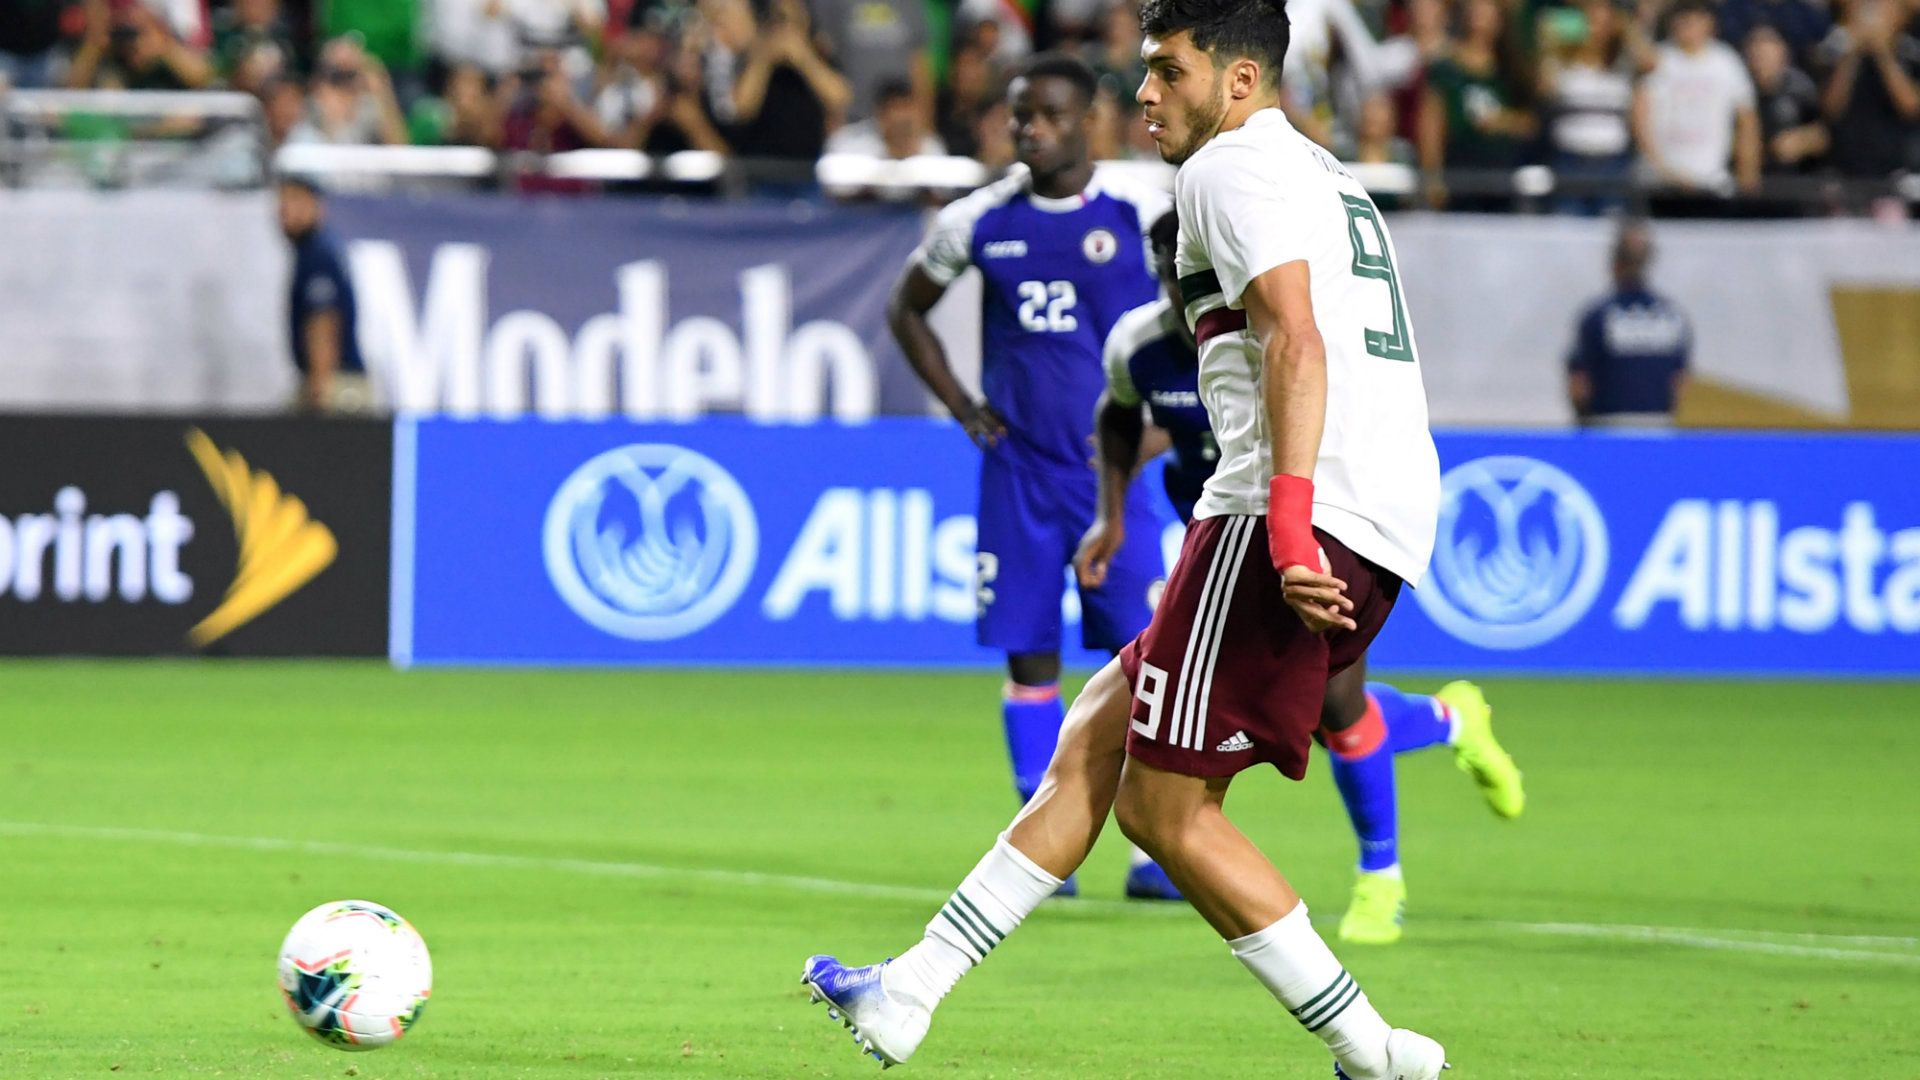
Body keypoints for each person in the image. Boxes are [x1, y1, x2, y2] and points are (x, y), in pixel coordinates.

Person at [802, 4, 1455, 1075]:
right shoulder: (1323, 173)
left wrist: (1287, 526)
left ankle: (1370, 1050)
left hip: (1287, 509)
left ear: (1240, 81)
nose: (1145, 94)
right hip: (1372, 507)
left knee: (1166, 812)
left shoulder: (1225, 171)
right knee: (1097, 730)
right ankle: (910, 990)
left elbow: (1294, 338)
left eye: (1169, 71)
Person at [1080, 207, 1523, 943]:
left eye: (1186, 269)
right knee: (1317, 712)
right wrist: (1112, 514)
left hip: (1312, 529)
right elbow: (1120, 414)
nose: (1176, 285)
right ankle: (1451, 720)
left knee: (1337, 709)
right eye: (1165, 271)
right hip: (1219, 544)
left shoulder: (1275, 330)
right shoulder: (1143, 344)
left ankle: (1381, 879)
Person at [882, 53, 1175, 900]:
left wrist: (1159, 429)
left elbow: (1201, 322)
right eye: (1018, 117)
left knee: (1148, 661)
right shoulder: (978, 221)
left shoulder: (1141, 213)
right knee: (1028, 655)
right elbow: (906, 310)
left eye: (1046, 115)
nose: (1029, 131)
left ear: (1089, 118)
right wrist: (966, 409)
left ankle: (1154, 850)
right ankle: (1039, 855)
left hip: (1108, 476)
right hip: (1016, 473)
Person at [1631, 0, 1761, 199]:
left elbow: (1746, 120)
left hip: (1712, 182)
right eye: (1682, 18)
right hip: (1659, 184)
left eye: (1695, 19)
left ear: (1709, 23)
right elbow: (1639, 118)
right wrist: (1662, 170)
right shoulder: (1657, 59)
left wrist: (1748, 172)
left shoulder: (1726, 62)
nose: (1688, 24)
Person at [1567, 219, 1691, 427]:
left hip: (1607, 427)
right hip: (1658, 427)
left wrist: (1584, 425)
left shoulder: (1598, 316)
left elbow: (1579, 384)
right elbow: (1680, 383)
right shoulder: (1671, 315)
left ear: (1614, 263)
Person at [277, 176, 373, 416]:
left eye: (296, 200)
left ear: (317, 206)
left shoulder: (317, 254)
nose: (285, 210)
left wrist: (320, 387)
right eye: (282, 201)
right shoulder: (319, 248)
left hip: (337, 386)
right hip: (340, 381)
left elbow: (322, 323)